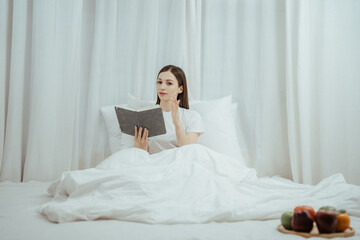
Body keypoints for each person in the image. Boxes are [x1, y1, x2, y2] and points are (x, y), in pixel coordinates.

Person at [134, 65, 205, 154]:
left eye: (169, 83)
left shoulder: (192, 116)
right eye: (159, 82)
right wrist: (141, 147)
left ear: (180, 89)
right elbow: (142, 154)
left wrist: (177, 123)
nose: (162, 87)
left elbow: (188, 151)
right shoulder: (146, 115)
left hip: (178, 164)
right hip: (152, 164)